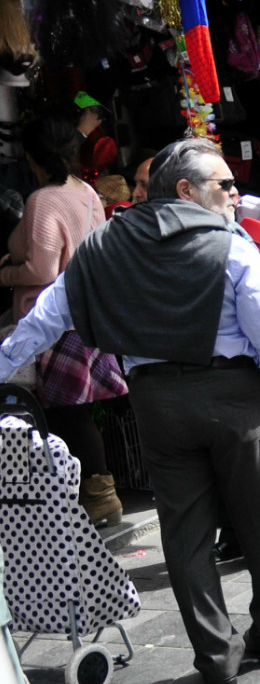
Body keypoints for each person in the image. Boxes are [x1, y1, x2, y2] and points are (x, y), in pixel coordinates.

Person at [0, 140, 260, 684]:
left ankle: (216, 655)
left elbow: (45, 317)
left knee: (184, 534)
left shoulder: (102, 248)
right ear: (185, 191)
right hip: (236, 396)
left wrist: (3, 365)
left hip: (158, 403)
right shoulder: (229, 246)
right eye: (224, 185)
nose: (235, 195)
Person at [0, 121, 128, 525]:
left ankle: (96, 494)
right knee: (77, 412)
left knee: (63, 413)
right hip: (86, 316)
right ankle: (96, 493)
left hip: (53, 324)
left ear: (32, 159)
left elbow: (42, 269)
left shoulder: (42, 200)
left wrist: (4, 273)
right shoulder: (87, 193)